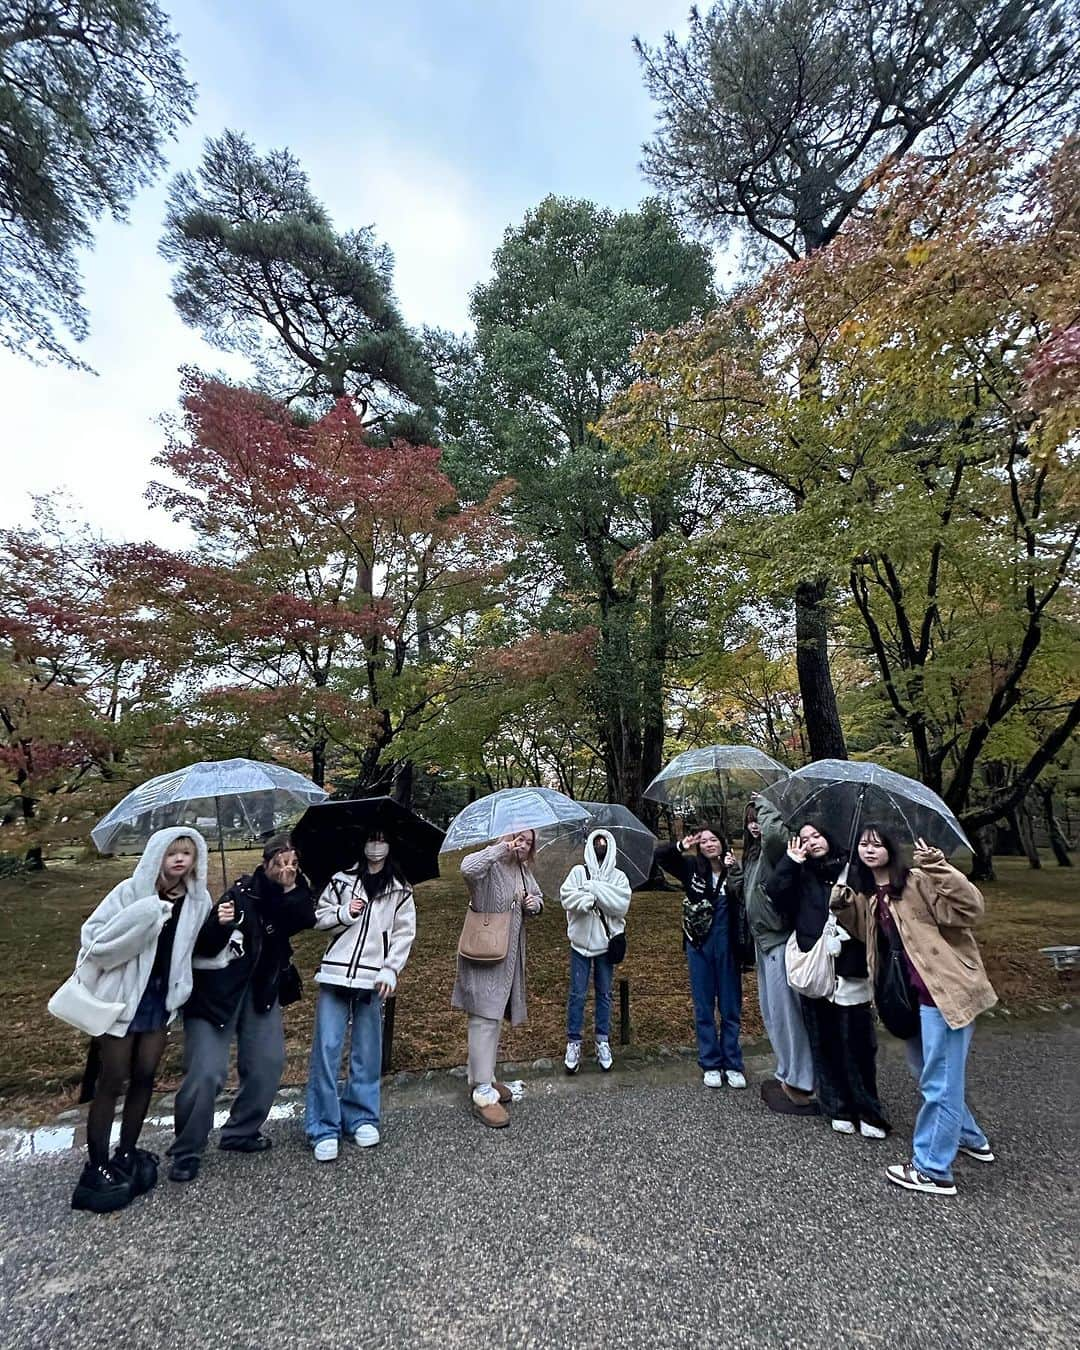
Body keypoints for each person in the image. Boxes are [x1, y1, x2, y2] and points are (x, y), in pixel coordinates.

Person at [831, 826, 997, 1197]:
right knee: (930, 1075)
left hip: (944, 995)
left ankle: (933, 1169)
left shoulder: (919, 881)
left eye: (877, 843)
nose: (869, 849)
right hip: (909, 1003)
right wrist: (842, 904)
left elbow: (970, 908)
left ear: (892, 847)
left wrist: (940, 867)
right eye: (863, 843)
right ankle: (971, 1138)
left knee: (940, 1082)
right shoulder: (873, 896)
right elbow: (865, 933)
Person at [65, 828, 212, 1213]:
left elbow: (196, 951)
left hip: (160, 999)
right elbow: (93, 938)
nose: (180, 860)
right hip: (121, 997)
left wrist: (226, 933)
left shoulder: (197, 901)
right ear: (156, 856)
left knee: (146, 1075)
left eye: (188, 853)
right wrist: (147, 917)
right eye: (172, 853)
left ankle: (127, 1152)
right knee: (112, 1079)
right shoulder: (131, 893)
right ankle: (96, 1164)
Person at [168, 836, 315, 1182]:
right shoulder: (240, 894)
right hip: (216, 992)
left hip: (260, 990)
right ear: (265, 864)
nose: (286, 868)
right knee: (208, 1072)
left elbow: (303, 917)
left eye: (292, 862)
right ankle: (187, 1149)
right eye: (279, 863)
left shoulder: (294, 894)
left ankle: (240, 1132)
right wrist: (219, 923)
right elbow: (201, 946)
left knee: (267, 1062)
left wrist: (291, 887)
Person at [766, 821, 890, 1139]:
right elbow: (774, 894)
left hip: (851, 966)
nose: (812, 842)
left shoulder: (853, 869)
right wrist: (791, 861)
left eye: (817, 835)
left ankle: (868, 1110)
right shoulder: (801, 873)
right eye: (805, 838)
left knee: (858, 1043)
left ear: (829, 836)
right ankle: (836, 1105)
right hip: (816, 968)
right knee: (824, 1039)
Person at [305, 832, 416, 1161]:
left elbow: (404, 932)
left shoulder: (400, 888)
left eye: (383, 839)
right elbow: (319, 919)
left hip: (373, 979)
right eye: (371, 838)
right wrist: (344, 913)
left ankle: (362, 1116)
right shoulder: (341, 879)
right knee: (326, 1048)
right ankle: (323, 1125)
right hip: (335, 974)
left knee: (368, 1050)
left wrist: (391, 969)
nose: (377, 845)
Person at [726, 798, 818, 1116]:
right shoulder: (753, 855)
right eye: (749, 819)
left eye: (758, 819)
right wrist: (733, 872)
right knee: (772, 1014)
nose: (754, 824)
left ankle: (802, 1080)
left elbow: (777, 835)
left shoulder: (775, 848)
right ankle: (786, 1072)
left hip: (779, 940)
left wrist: (763, 803)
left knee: (788, 1016)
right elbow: (746, 892)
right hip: (761, 942)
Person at [451, 829, 543, 1128]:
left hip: (509, 956)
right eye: (519, 838)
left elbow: (537, 897)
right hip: (484, 953)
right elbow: (466, 867)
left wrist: (535, 905)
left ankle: (485, 1076)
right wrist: (500, 849)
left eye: (528, 842)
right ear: (507, 837)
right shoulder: (490, 864)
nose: (523, 845)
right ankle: (481, 1092)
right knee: (484, 1018)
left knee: (491, 1018)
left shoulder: (522, 870)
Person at [658, 824, 752, 1089]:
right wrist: (681, 845)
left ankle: (733, 1062)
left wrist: (736, 870)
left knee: (730, 1006)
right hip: (699, 945)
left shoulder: (734, 870)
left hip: (729, 946)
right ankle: (710, 1062)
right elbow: (661, 857)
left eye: (714, 839)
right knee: (703, 1005)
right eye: (705, 841)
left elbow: (747, 898)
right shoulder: (691, 869)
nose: (710, 844)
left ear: (723, 843)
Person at [559, 828, 631, 1075]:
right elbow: (567, 898)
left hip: (605, 946)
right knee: (577, 994)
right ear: (590, 845)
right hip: (579, 945)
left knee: (604, 994)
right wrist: (585, 900)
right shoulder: (578, 872)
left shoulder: (619, 877)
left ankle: (603, 1040)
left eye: (605, 842)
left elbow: (621, 905)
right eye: (596, 842)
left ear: (610, 847)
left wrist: (593, 890)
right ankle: (574, 1042)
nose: (600, 846)